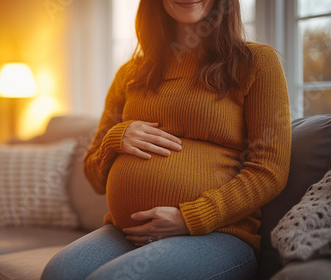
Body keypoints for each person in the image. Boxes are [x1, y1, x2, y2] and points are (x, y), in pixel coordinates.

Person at [41, 0, 291, 279]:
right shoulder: (130, 74)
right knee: (58, 273)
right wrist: (115, 137)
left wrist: (190, 218)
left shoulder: (256, 62)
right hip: (125, 234)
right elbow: (94, 176)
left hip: (216, 235)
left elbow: (269, 170)